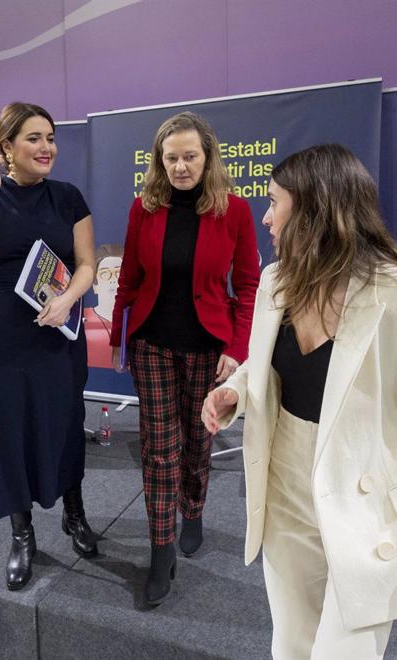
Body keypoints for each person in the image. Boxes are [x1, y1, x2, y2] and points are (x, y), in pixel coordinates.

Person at [201, 144, 397, 658]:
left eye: (274, 202)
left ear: (313, 211)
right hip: (284, 490)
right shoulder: (274, 282)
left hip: (367, 503)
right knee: (291, 646)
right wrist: (234, 391)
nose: (266, 218)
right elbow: (265, 369)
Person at [111, 111, 260, 605]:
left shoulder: (234, 211)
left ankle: (192, 509)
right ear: (159, 161)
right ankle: (160, 549)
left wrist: (238, 351)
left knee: (197, 439)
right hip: (152, 341)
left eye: (189, 156)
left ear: (207, 157)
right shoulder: (143, 208)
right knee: (159, 446)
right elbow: (129, 276)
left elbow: (249, 284)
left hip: (208, 346)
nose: (180, 166)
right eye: (171, 157)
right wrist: (117, 333)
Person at [0, 102, 100, 591]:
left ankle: (73, 514)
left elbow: (86, 264)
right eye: (34, 138)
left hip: (55, 326)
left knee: (63, 420)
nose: (47, 148)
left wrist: (68, 300)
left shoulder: (68, 197)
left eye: (50, 138)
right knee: (5, 426)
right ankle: (21, 534)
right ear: (7, 147)